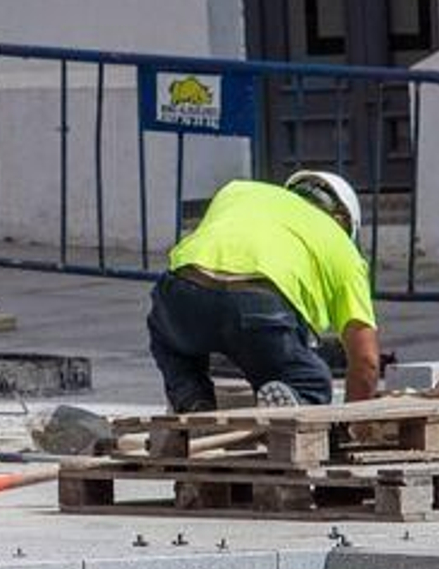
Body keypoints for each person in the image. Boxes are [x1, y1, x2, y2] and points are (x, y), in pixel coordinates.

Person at [147, 170, 380, 412]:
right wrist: (354, 427)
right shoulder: (344, 249)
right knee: (310, 381)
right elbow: (366, 361)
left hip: (181, 294)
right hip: (258, 310)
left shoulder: (237, 191)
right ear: (343, 219)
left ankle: (192, 399)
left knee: (171, 341)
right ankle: (294, 399)